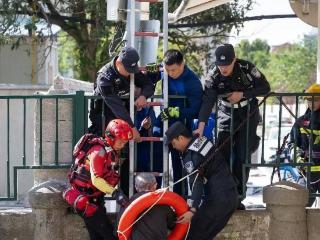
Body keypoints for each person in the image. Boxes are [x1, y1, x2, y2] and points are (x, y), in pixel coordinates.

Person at [194, 43, 270, 209]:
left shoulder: (246, 68)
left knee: (243, 156)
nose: (224, 69)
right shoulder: (213, 74)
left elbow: (265, 88)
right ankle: (224, 195)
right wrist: (201, 126)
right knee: (222, 155)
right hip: (225, 113)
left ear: (234, 59)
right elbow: (208, 101)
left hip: (247, 112)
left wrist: (243, 94)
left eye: (227, 65)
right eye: (221, 65)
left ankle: (238, 197)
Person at [165, 121, 238, 240]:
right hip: (231, 195)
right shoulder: (202, 140)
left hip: (218, 199)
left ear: (181, 138)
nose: (173, 147)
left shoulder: (191, 156)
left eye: (174, 143)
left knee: (194, 234)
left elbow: (196, 183)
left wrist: (192, 210)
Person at [63, 119, 133, 240]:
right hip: (86, 201)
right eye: (121, 142)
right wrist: (115, 193)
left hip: (95, 199)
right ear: (110, 137)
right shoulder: (98, 152)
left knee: (97, 237)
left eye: (125, 142)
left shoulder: (110, 151)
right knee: (109, 235)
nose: (123, 145)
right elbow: (96, 179)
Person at [149, 49, 203, 195]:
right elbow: (149, 73)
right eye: (167, 70)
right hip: (162, 122)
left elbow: (196, 110)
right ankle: (155, 195)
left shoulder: (192, 82)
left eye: (173, 70)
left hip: (181, 128)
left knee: (180, 165)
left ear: (182, 64)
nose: (170, 73)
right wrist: (148, 70)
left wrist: (176, 111)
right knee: (156, 158)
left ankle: (180, 198)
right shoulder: (163, 69)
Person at [88, 46, 155, 141]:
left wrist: (143, 96)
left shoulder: (131, 70)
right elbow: (116, 106)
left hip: (124, 121)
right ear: (119, 63)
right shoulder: (104, 78)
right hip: (104, 121)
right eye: (128, 70)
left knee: (125, 153)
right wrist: (131, 127)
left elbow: (148, 85)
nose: (130, 73)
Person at [289, 83, 320, 207]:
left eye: (315, 99)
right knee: (300, 208)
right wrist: (297, 158)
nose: (311, 102)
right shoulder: (301, 121)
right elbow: (292, 143)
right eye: (308, 99)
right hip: (307, 173)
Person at [118, 173, 176, 240]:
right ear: (155, 185)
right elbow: (172, 223)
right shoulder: (163, 203)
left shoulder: (128, 204)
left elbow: (119, 228)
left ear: (136, 187)